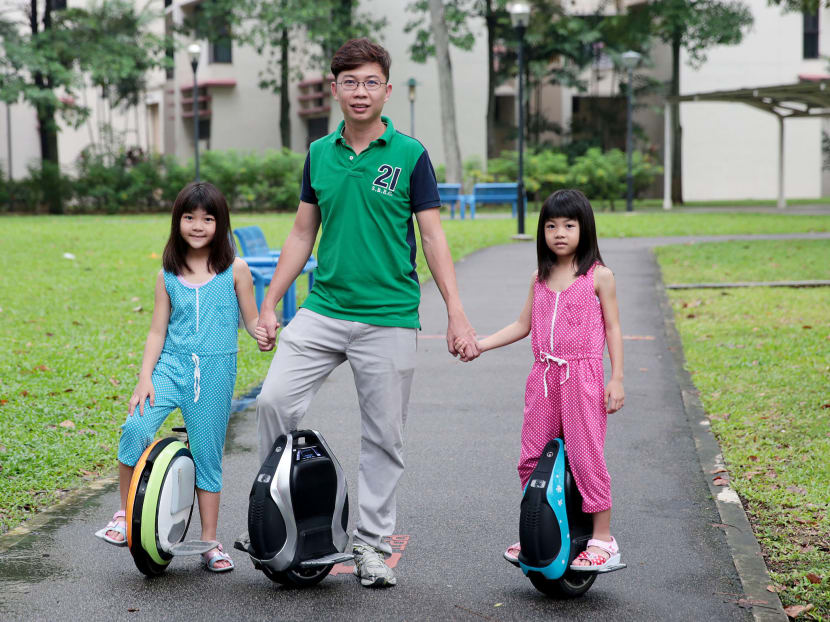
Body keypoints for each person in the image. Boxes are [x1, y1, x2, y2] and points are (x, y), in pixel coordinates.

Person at [253, 38, 478, 588]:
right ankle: (277, 518)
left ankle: (371, 546)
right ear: (334, 89)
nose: (360, 92)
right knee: (274, 401)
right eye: (349, 82)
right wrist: (268, 303)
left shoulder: (410, 155)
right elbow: (303, 231)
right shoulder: (319, 154)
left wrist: (456, 312)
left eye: (370, 81)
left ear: (386, 88)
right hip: (323, 309)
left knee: (383, 438)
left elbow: (432, 236)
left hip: (390, 316)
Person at [97, 182, 266, 572]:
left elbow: (252, 319)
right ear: (178, 222)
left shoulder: (235, 270)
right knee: (134, 429)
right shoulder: (168, 274)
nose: (198, 225)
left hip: (215, 371)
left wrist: (264, 333)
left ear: (220, 224)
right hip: (170, 367)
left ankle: (209, 541)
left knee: (207, 456)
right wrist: (145, 378)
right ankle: (124, 517)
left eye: (208, 218)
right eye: (189, 217)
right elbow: (157, 331)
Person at [457, 188, 624, 571]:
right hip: (544, 378)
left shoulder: (600, 276)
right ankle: (540, 526)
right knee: (532, 456)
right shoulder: (540, 277)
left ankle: (603, 539)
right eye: (551, 225)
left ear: (585, 229)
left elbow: (613, 329)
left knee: (585, 456)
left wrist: (617, 379)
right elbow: (522, 325)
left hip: (581, 377)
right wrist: (480, 345)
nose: (559, 233)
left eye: (568, 225)